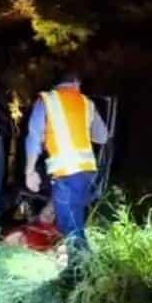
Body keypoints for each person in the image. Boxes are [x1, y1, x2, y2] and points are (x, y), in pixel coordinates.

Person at [24, 70, 110, 249]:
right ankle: (79, 268)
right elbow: (102, 137)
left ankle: (82, 268)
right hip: (86, 172)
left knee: (69, 225)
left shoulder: (47, 101)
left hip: (66, 172)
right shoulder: (87, 103)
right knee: (73, 219)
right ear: (76, 83)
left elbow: (34, 137)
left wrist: (30, 171)